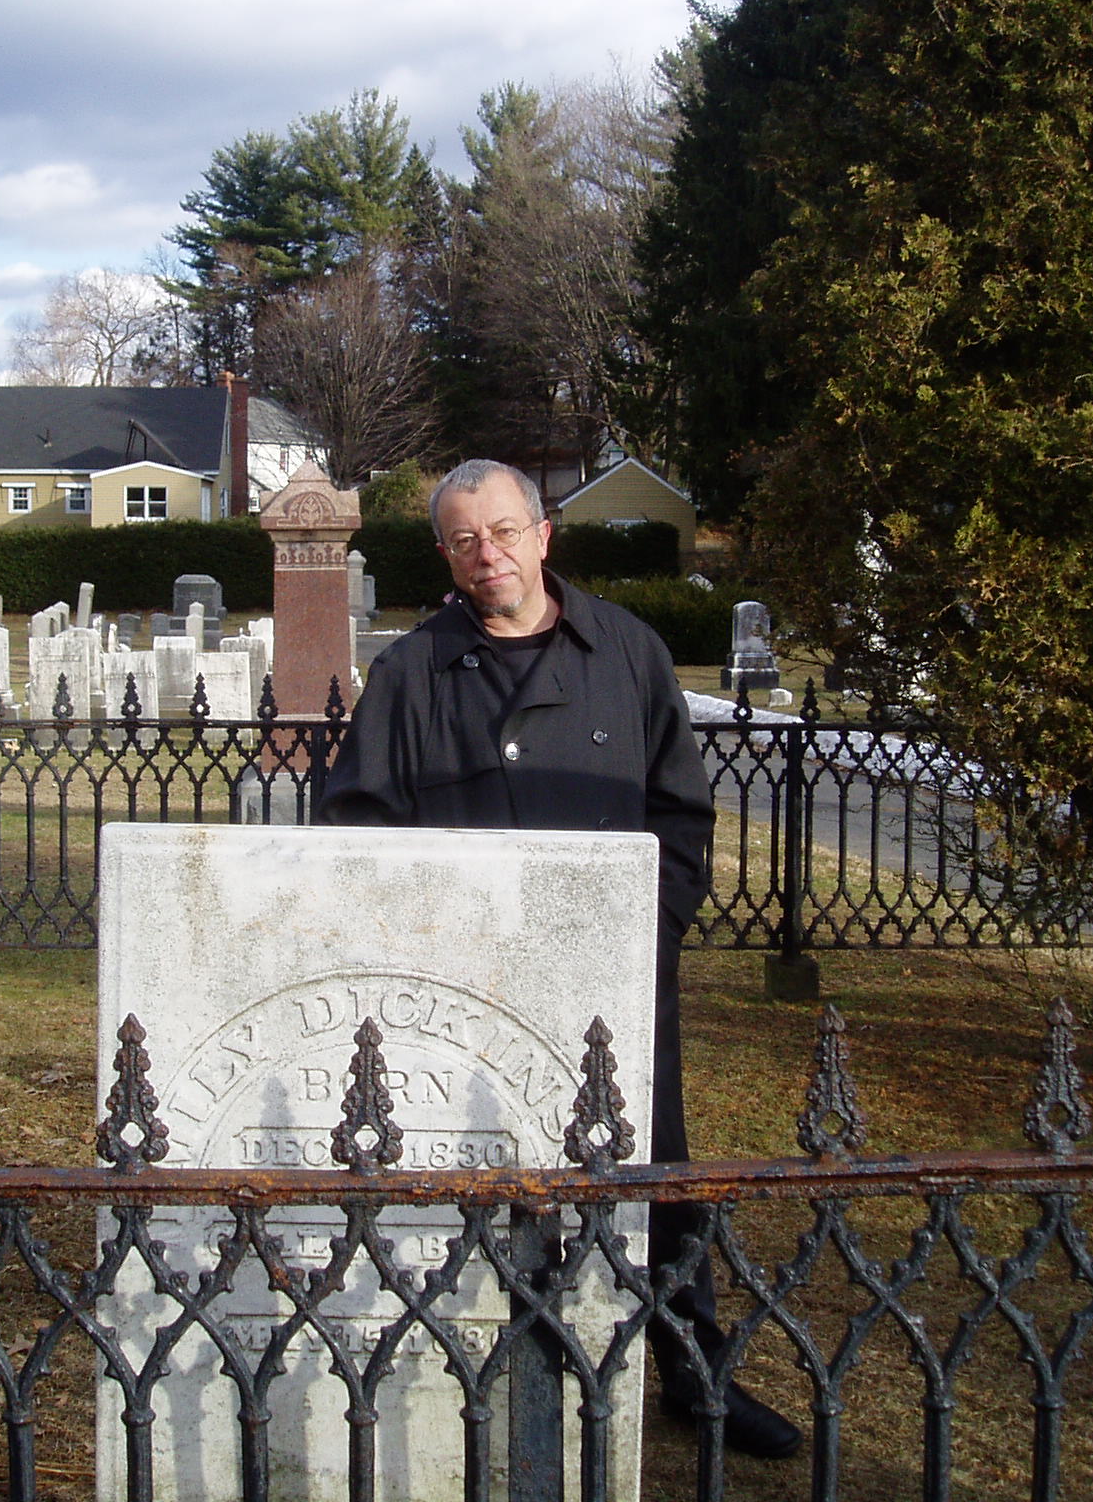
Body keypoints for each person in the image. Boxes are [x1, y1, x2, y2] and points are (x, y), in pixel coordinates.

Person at [322, 458, 801, 1460]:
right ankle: (459, 1367)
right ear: (446, 555)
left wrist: (643, 931)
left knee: (656, 1176)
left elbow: (677, 812)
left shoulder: (627, 653)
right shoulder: (412, 674)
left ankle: (693, 1377)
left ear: (543, 534)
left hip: (613, 980)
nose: (485, 555)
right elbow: (354, 825)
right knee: (468, 1173)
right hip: (462, 987)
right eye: (462, 540)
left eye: (501, 531)